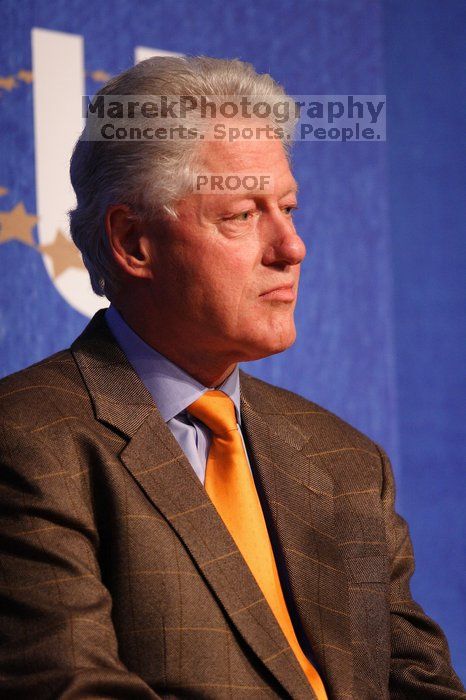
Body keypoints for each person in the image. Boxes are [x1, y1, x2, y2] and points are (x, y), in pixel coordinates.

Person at [0, 56, 463, 700]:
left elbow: (422, 684)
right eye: (243, 214)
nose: (292, 247)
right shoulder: (27, 441)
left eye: (290, 207)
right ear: (134, 242)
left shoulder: (349, 463)